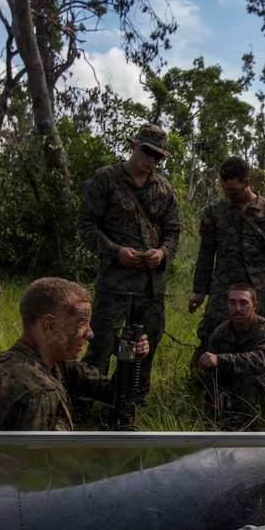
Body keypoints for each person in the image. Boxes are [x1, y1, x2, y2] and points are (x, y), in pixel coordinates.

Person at [0, 278, 150, 431]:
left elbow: (112, 392)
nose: (90, 334)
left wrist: (130, 358)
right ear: (49, 326)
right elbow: (54, 473)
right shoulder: (44, 393)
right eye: (81, 325)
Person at [76, 123, 181, 413]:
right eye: (148, 152)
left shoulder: (164, 190)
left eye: (158, 157)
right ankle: (83, 408)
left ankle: (132, 407)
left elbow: (173, 232)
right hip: (114, 285)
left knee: (144, 351)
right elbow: (85, 225)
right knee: (99, 348)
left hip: (151, 288)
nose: (152, 160)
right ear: (133, 146)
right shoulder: (105, 181)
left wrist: (162, 253)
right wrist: (114, 252)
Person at [188, 157, 265, 370]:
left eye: (232, 190)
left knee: (256, 342)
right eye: (224, 189)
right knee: (210, 337)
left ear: (247, 182)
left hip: (258, 292)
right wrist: (199, 291)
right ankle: (202, 384)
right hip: (222, 290)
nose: (227, 194)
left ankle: (253, 390)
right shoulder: (214, 212)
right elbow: (206, 255)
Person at [196, 284, 265, 427]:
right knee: (211, 404)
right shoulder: (220, 333)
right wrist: (218, 391)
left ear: (254, 305)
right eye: (233, 303)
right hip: (230, 386)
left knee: (247, 380)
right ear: (227, 305)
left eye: (243, 303)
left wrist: (220, 360)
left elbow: (260, 360)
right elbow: (210, 371)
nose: (237, 309)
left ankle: (247, 435)